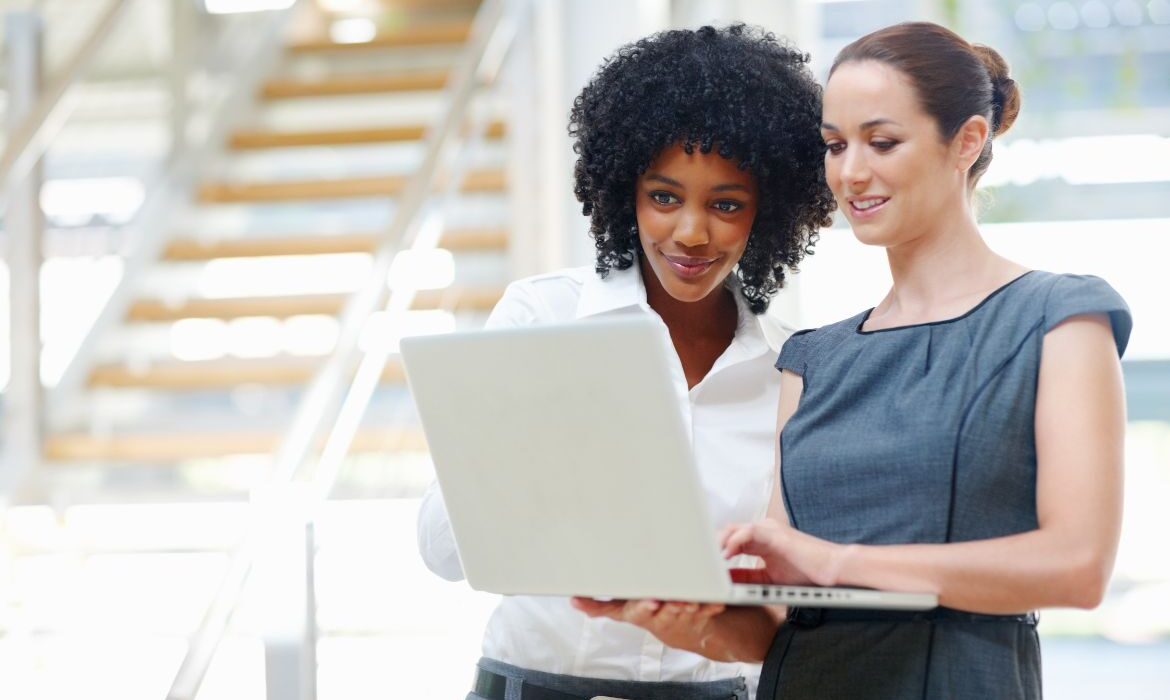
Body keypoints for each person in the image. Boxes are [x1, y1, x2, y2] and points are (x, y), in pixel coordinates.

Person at [574, 21, 1132, 700]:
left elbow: (1078, 564)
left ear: (968, 141)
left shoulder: (1058, 320)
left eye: (882, 142)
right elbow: (775, 626)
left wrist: (836, 562)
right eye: (835, 146)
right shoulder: (811, 359)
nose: (850, 173)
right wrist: (676, 618)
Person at [415, 24, 834, 700]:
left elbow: (785, 595)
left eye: (726, 205)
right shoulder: (541, 318)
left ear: (769, 210)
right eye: (663, 196)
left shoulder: (795, 368)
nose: (691, 233)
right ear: (624, 191)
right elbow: (443, 553)